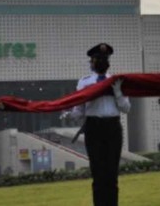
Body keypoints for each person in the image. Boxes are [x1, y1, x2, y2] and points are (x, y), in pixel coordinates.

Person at [69, 43, 130, 206]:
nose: (101, 62)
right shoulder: (84, 83)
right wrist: (68, 113)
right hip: (93, 128)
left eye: (104, 59)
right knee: (98, 174)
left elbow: (126, 108)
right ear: (92, 62)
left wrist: (117, 92)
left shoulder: (117, 81)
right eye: (98, 59)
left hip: (112, 128)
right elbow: (79, 110)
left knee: (112, 174)